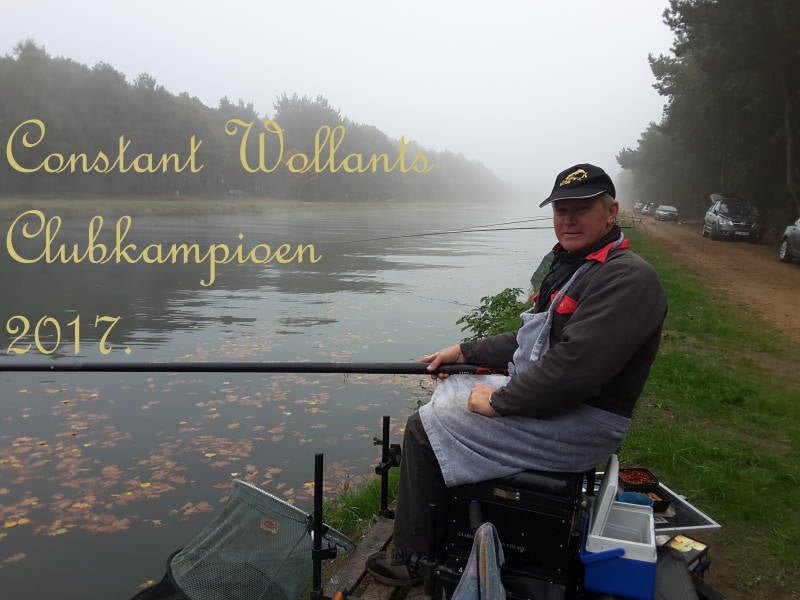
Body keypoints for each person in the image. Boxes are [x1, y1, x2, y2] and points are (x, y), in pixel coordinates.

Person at [366, 163, 668, 586]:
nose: (568, 219)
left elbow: (575, 371)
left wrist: (499, 401)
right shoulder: (580, 266)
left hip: (584, 420)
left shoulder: (627, 278)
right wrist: (464, 352)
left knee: (423, 427)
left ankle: (414, 557)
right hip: (558, 401)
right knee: (452, 390)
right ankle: (455, 522)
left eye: (581, 208)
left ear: (611, 211)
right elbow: (529, 340)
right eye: (561, 209)